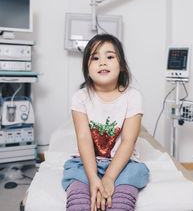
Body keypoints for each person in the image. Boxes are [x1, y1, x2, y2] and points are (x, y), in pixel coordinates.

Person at [62, 34, 149, 211]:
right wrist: (93, 178)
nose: (102, 62)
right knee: (78, 203)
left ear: (122, 65)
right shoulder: (80, 97)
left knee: (119, 204)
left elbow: (128, 141)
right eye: (95, 58)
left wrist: (109, 178)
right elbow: (84, 138)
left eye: (110, 57)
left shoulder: (133, 97)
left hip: (123, 163)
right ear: (87, 67)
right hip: (85, 162)